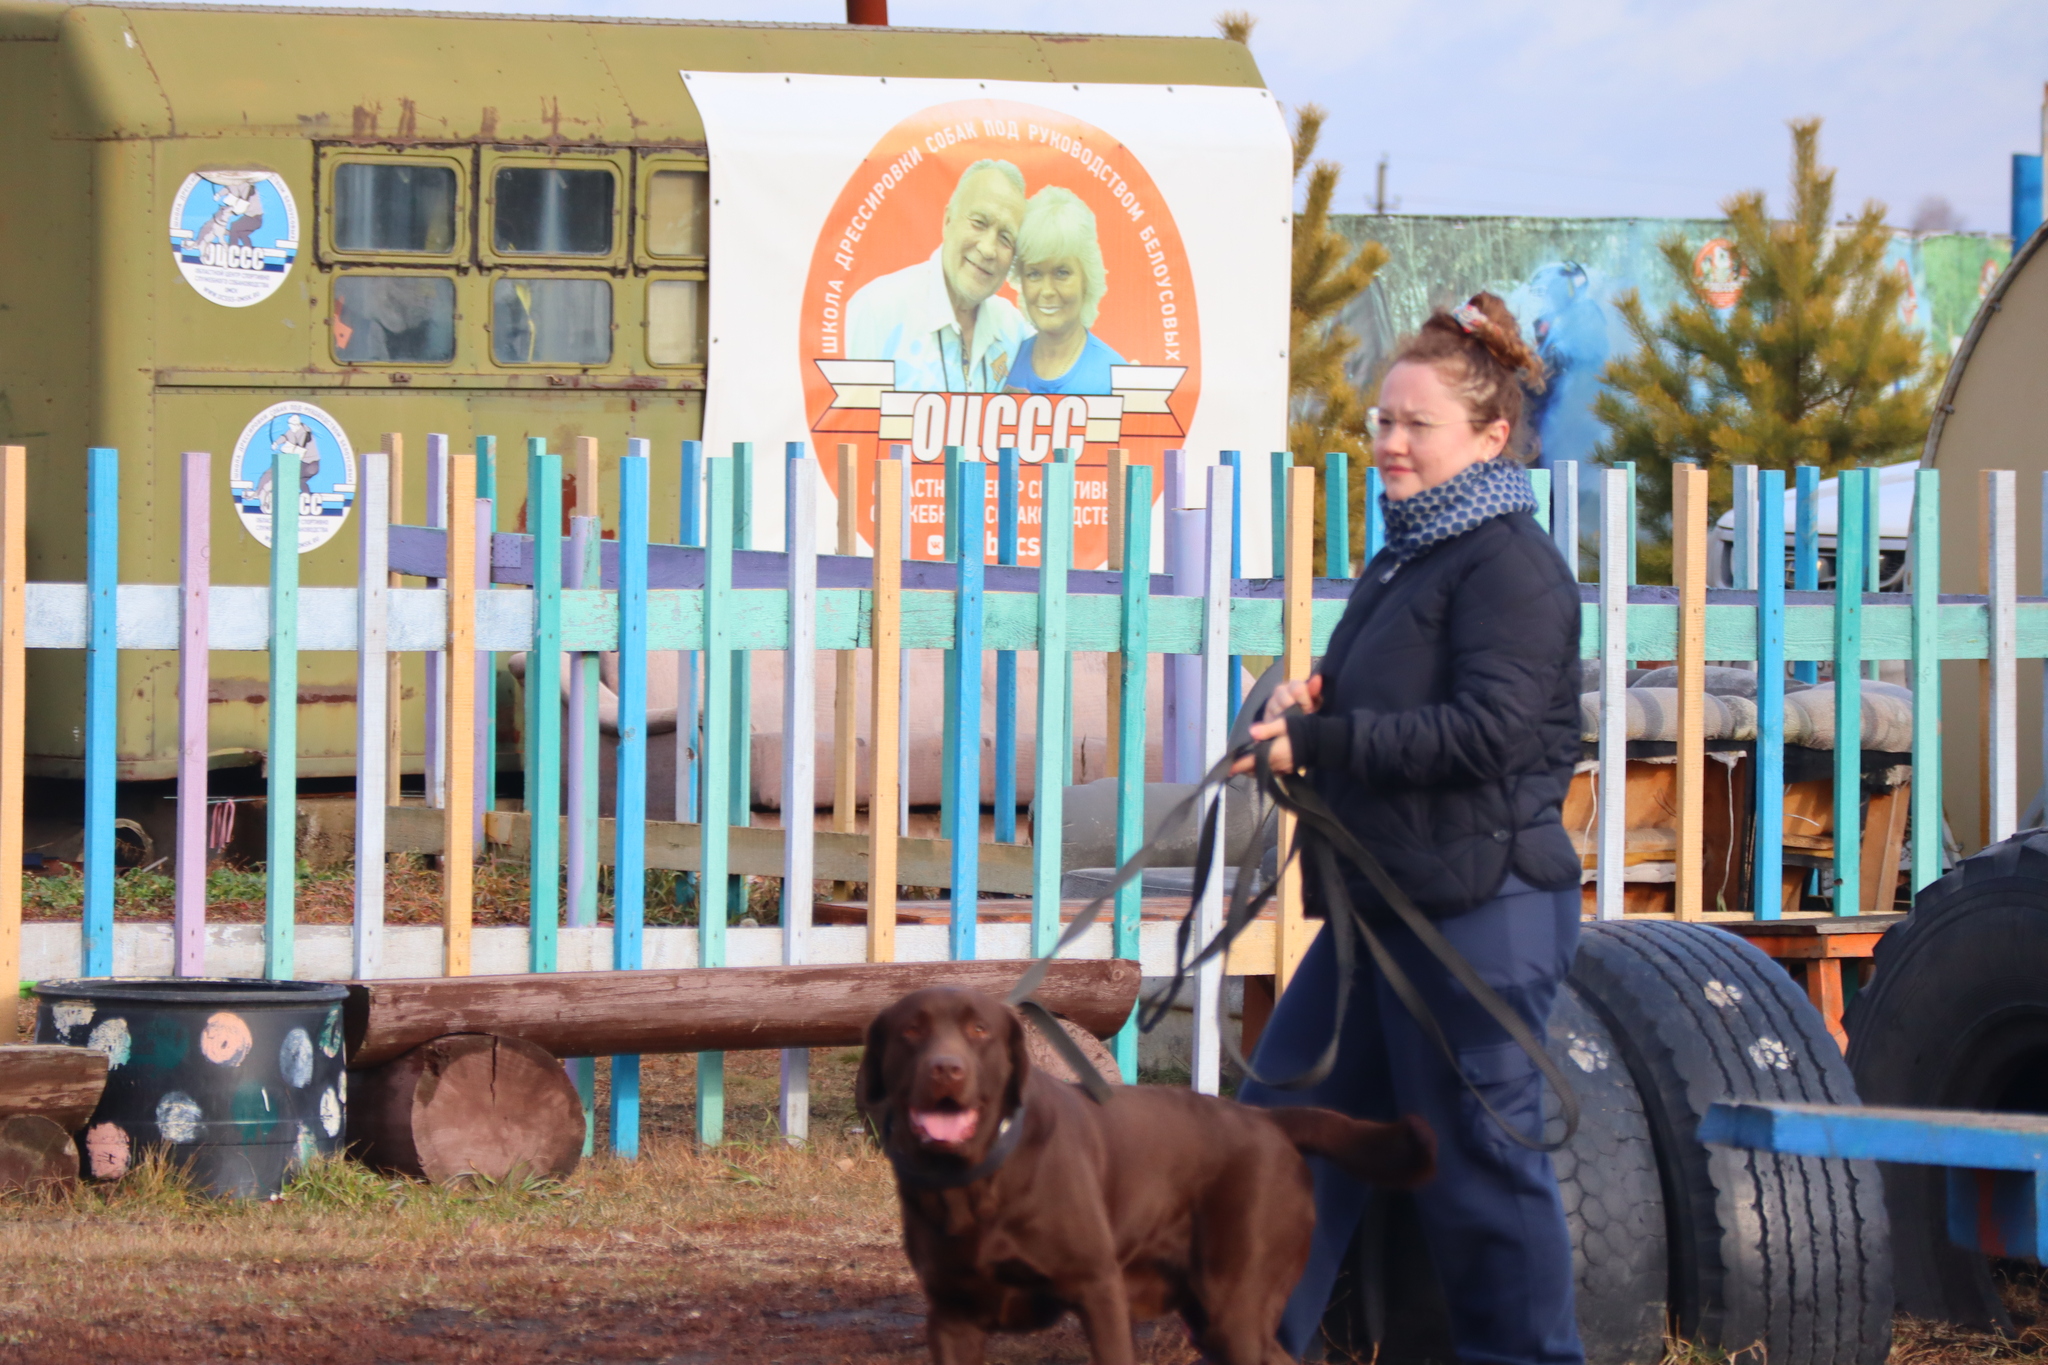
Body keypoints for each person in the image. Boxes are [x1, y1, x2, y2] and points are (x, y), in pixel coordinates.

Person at [1232, 293, 1585, 1365]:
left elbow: (1482, 733)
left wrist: (1325, 747)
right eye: (1380, 420)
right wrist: (1307, 704)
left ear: (1488, 437)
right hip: (1381, 911)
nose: (1385, 442)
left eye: (1411, 425)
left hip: (1478, 916)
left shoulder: (1510, 569)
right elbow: (1383, 699)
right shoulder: (1411, 556)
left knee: (1475, 1171)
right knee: (1274, 1147)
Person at [845, 159, 1031, 393]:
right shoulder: (878, 311)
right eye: (979, 223)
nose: (988, 249)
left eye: (1006, 238)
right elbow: (847, 425)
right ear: (947, 220)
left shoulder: (1013, 328)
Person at [1005, 186, 1123, 395]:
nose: (1047, 291)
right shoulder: (1003, 366)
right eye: (1034, 273)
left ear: (1086, 279)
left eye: (1061, 272)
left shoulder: (1115, 378)